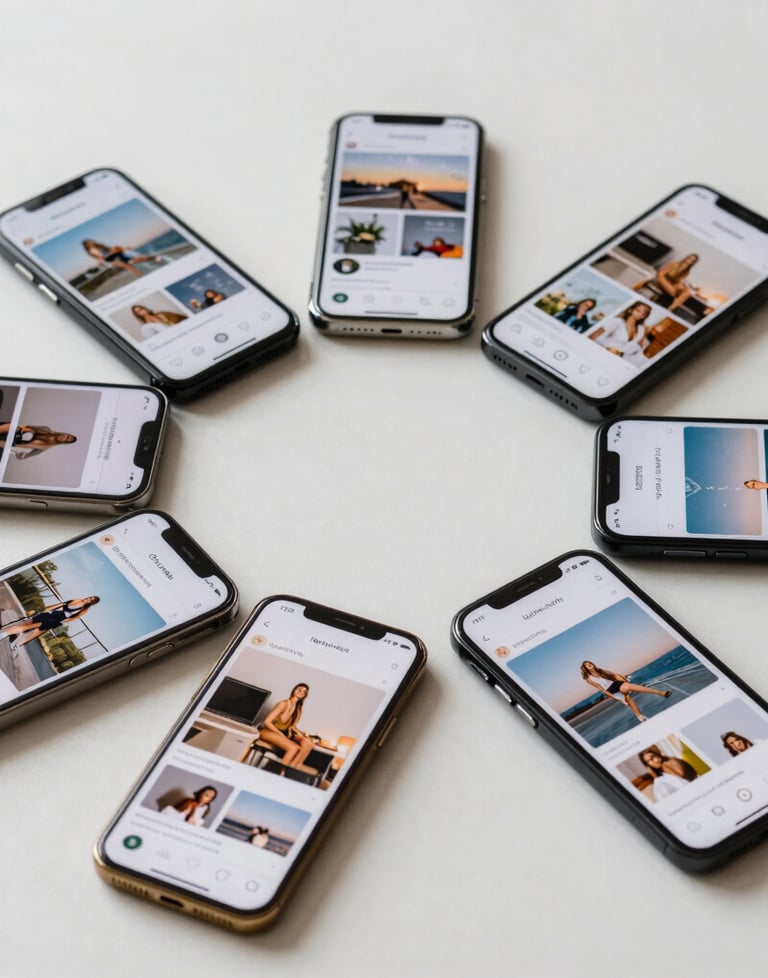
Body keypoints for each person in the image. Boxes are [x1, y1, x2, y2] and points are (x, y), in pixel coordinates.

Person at [580, 660, 671, 722]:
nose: (589, 665)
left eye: (590, 663)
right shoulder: (589, 678)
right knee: (627, 698)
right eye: (587, 665)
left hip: (616, 684)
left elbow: (614, 675)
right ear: (585, 668)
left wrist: (623, 679)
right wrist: (611, 696)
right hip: (610, 690)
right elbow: (600, 688)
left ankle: (661, 693)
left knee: (631, 687)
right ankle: (639, 716)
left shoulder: (600, 670)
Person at [0, 596, 100, 650]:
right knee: (26, 627)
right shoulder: (80, 603)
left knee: (30, 630)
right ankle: (12, 641)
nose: (88, 598)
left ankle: (13, 642)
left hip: (54, 619)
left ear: (91, 603)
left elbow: (72, 617)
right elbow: (63, 606)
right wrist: (47, 610)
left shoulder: (82, 608)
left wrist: (60, 620)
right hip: (52, 617)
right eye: (89, 597)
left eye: (90, 599)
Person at [257, 682, 314, 769]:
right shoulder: (283, 704)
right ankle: (280, 772)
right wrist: (282, 735)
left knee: (308, 743)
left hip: (285, 732)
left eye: (304, 692)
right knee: (294, 748)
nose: (301, 692)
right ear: (294, 690)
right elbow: (267, 722)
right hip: (268, 731)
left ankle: (292, 768)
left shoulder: (298, 708)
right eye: (299, 689)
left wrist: (304, 736)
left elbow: (293, 726)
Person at [635, 253, 699, 313]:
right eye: (689, 258)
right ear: (686, 258)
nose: (689, 261)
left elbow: (678, 282)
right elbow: (660, 275)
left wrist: (683, 288)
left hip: (671, 284)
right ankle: (671, 301)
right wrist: (669, 285)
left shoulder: (686, 271)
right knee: (673, 292)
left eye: (692, 260)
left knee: (687, 292)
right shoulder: (674, 264)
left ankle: (670, 309)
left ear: (692, 263)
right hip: (662, 280)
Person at [82, 239, 165, 278]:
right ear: (86, 245)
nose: (91, 242)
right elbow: (100, 258)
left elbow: (110, 249)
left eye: (90, 241)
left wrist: (120, 249)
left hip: (115, 254)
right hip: (110, 258)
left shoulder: (99, 245)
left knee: (132, 261)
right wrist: (106, 264)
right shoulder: (91, 251)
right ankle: (143, 274)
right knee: (129, 266)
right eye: (88, 243)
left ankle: (153, 258)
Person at [0, 423, 77, 460]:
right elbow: (28, 427)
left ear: (64, 442)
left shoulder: (45, 447)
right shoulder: (46, 429)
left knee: (5, 445)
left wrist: (21, 455)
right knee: (11, 426)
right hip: (18, 432)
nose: (64, 437)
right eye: (67, 436)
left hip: (14, 443)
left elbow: (25, 456)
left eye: (66, 439)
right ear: (64, 433)